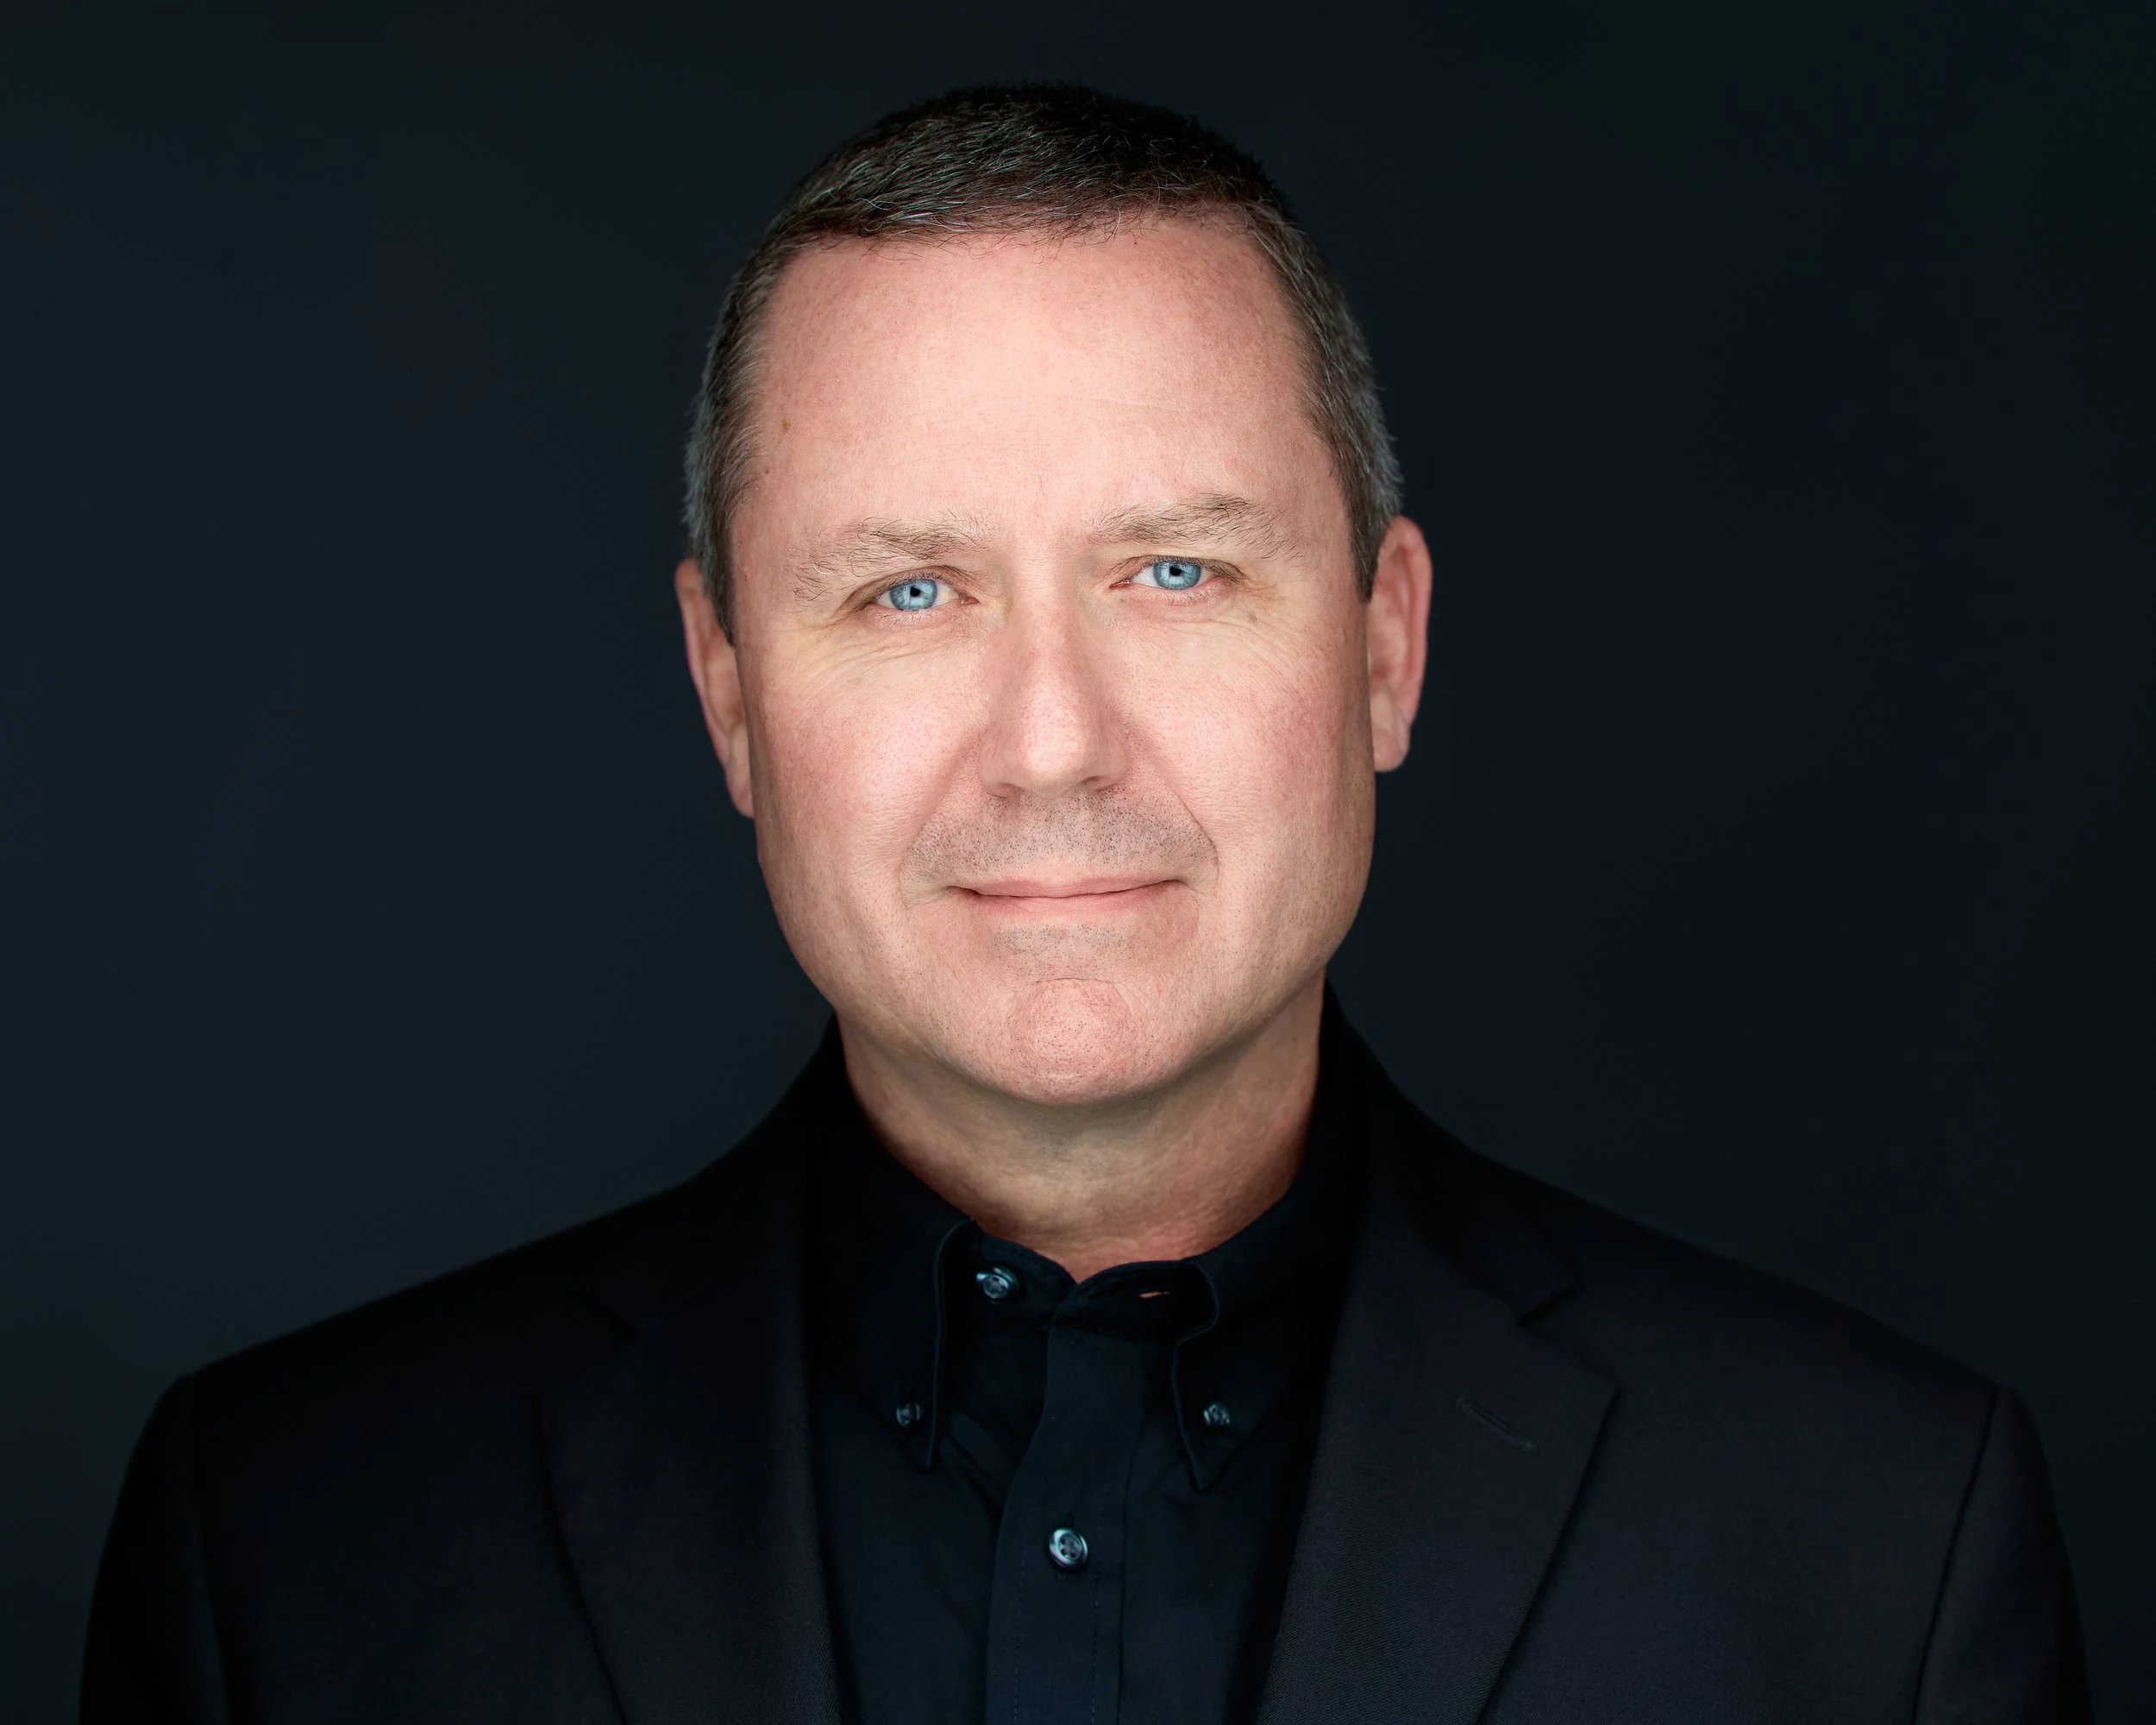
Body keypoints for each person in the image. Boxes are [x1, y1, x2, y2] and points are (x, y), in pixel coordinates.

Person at [82, 85, 2088, 1725]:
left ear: (1383, 650)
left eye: (1174, 573)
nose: (1050, 742)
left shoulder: (1876, 1547)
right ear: (728, 696)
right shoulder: (281, 1547)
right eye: (908, 591)